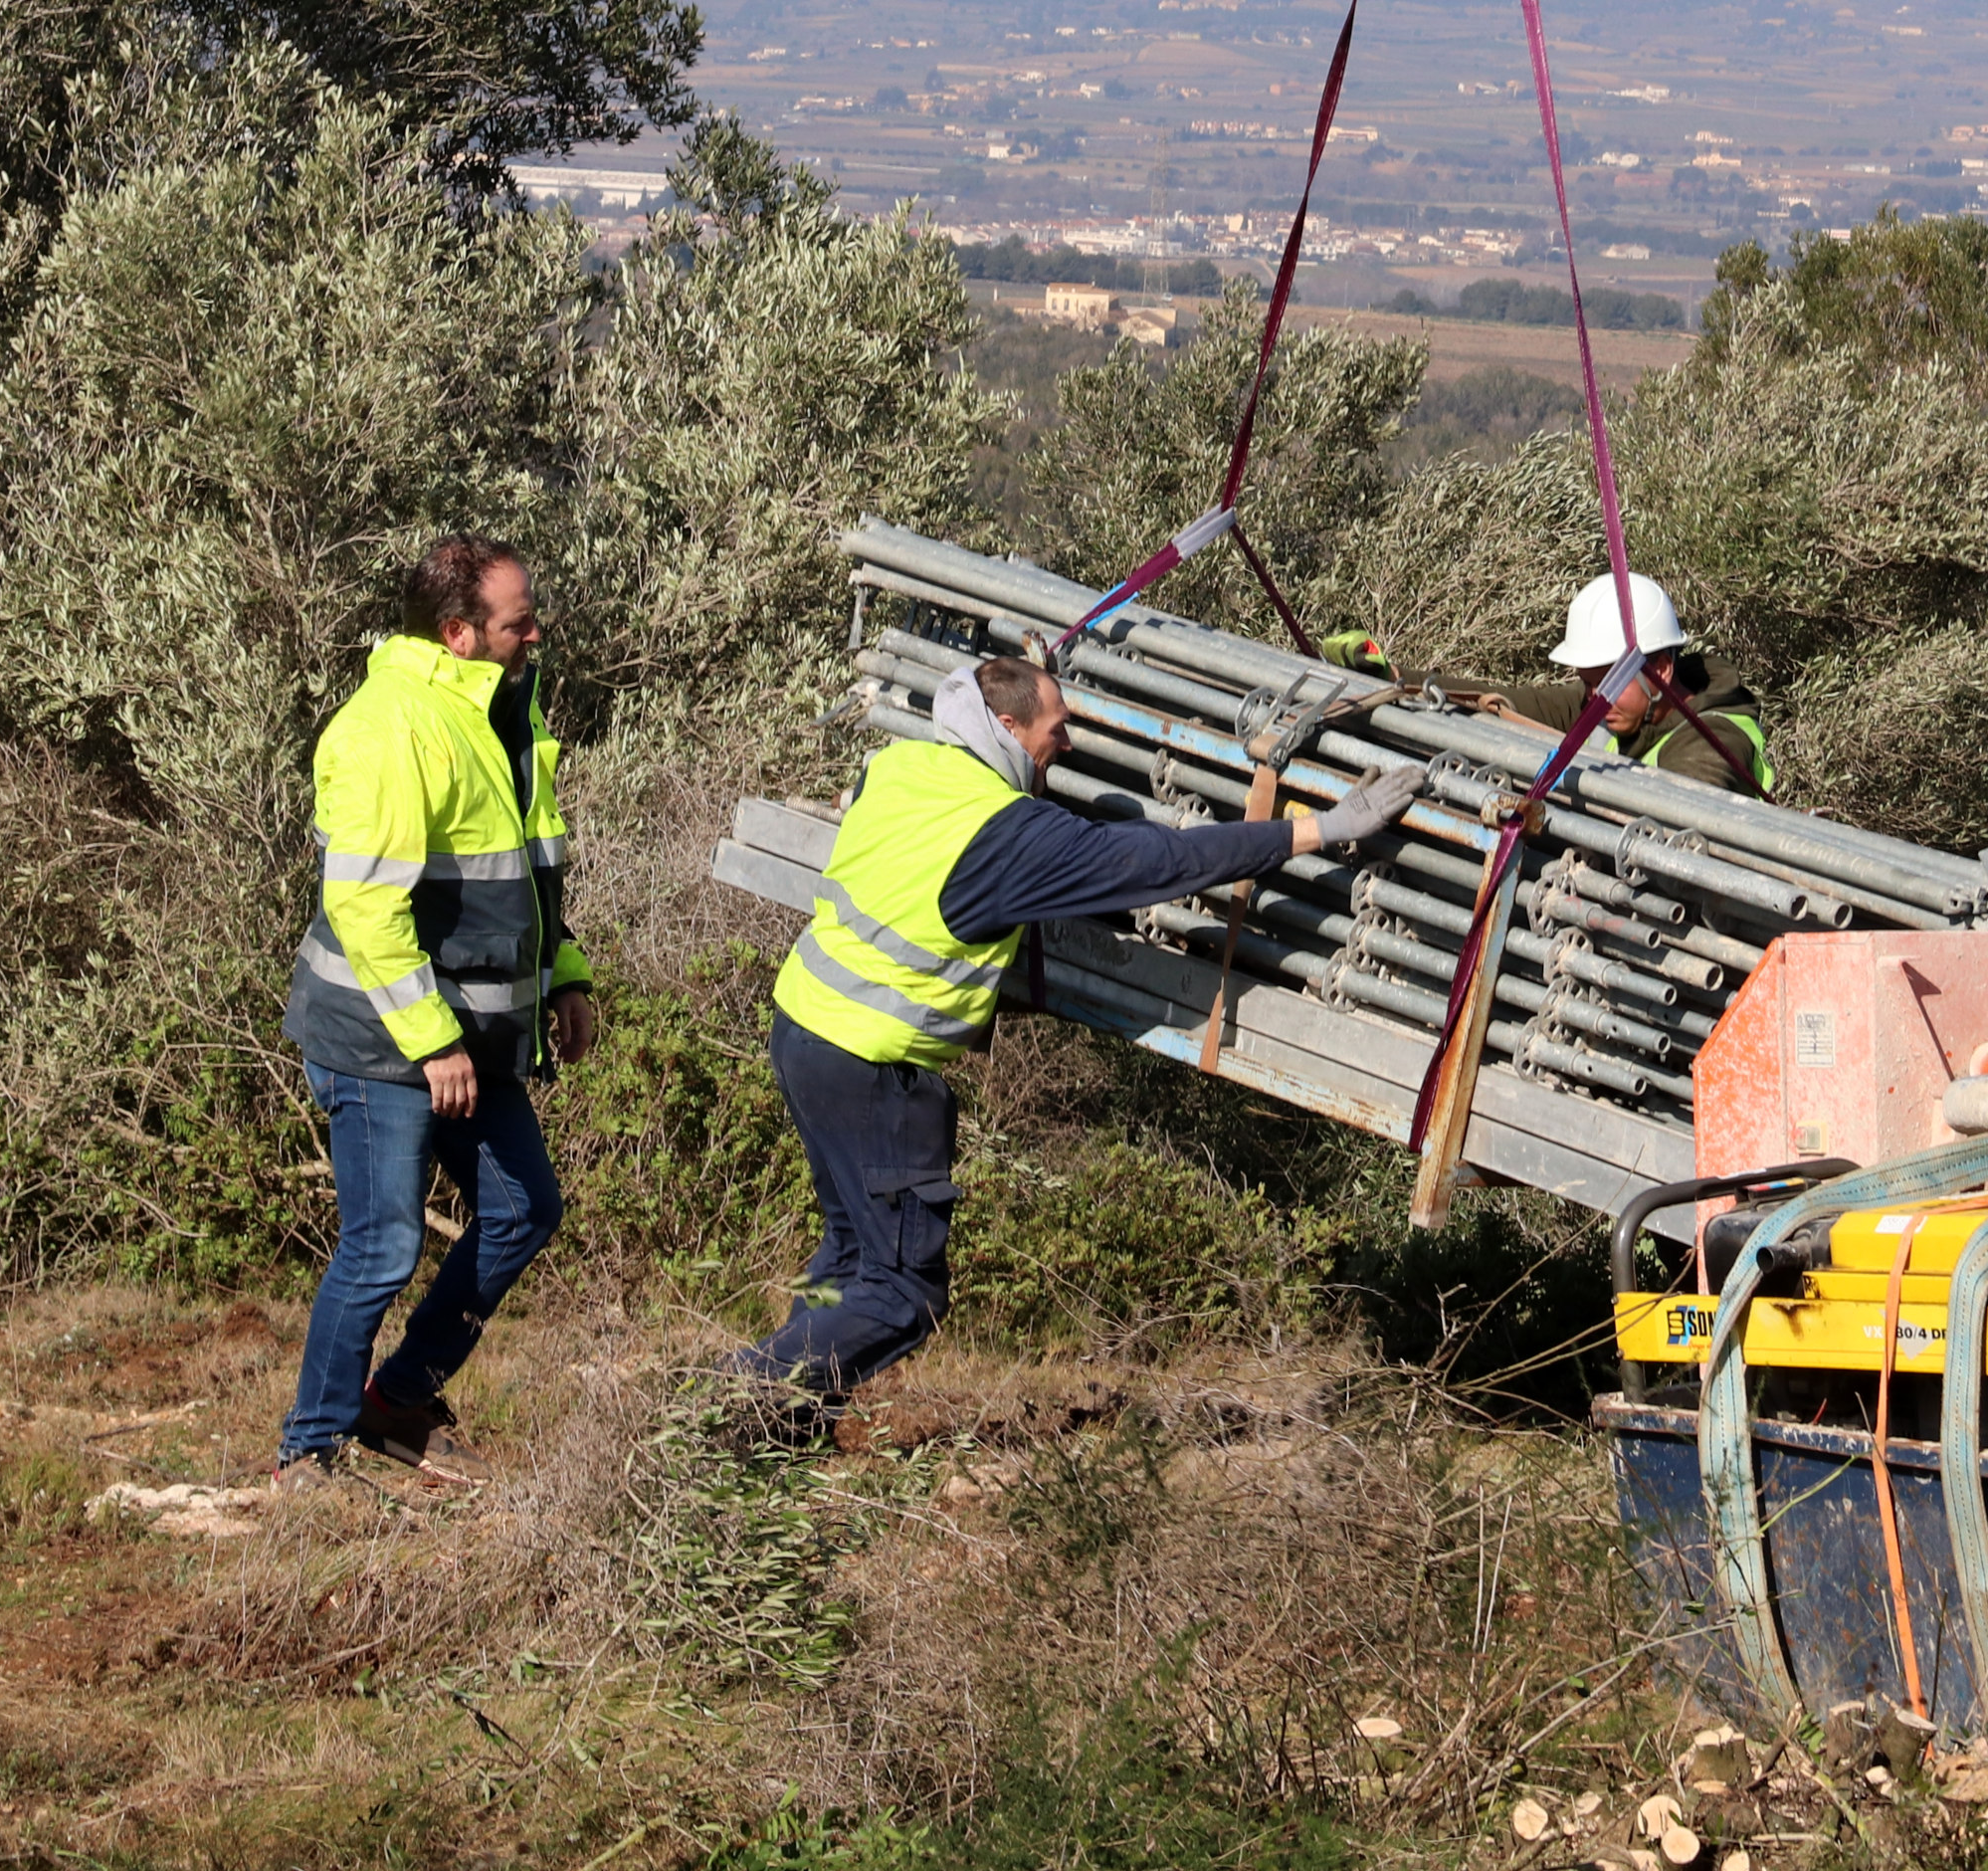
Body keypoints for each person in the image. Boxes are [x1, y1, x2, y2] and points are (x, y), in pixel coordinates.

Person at [729, 654, 1422, 1417]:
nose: (1070, 741)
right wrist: (1321, 828)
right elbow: (1167, 860)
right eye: (1057, 727)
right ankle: (738, 1397)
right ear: (1006, 725)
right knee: (900, 1293)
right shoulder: (1006, 836)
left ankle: (776, 1424)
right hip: (870, 1067)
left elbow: (927, 810)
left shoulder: (900, 767)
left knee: (855, 1250)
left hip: (801, 1030)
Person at [279, 534, 596, 1480]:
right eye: (517, 623)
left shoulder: (503, 711)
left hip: (466, 1036)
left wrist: (566, 976)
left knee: (524, 1210)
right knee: (382, 1246)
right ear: (458, 633)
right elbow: (367, 905)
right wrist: (432, 1041)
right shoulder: (393, 727)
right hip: (384, 1040)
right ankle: (310, 1451)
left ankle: (401, 1399)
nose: (536, 634)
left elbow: (530, 875)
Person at [1477, 574, 1774, 799]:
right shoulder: (1615, 705)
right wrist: (1432, 686)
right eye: (1587, 682)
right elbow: (1517, 702)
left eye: (1608, 681)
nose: (1596, 697)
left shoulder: (1714, 740)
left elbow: (1683, 805)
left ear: (1660, 671)